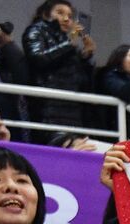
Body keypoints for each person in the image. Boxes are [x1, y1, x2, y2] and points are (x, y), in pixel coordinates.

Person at [22, 0, 94, 134]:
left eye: (70, 16)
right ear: (45, 14)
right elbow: (38, 58)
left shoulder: (64, 40)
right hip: (46, 105)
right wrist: (69, 44)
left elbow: (76, 76)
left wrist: (85, 56)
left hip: (70, 105)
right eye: (60, 13)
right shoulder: (35, 30)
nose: (66, 19)